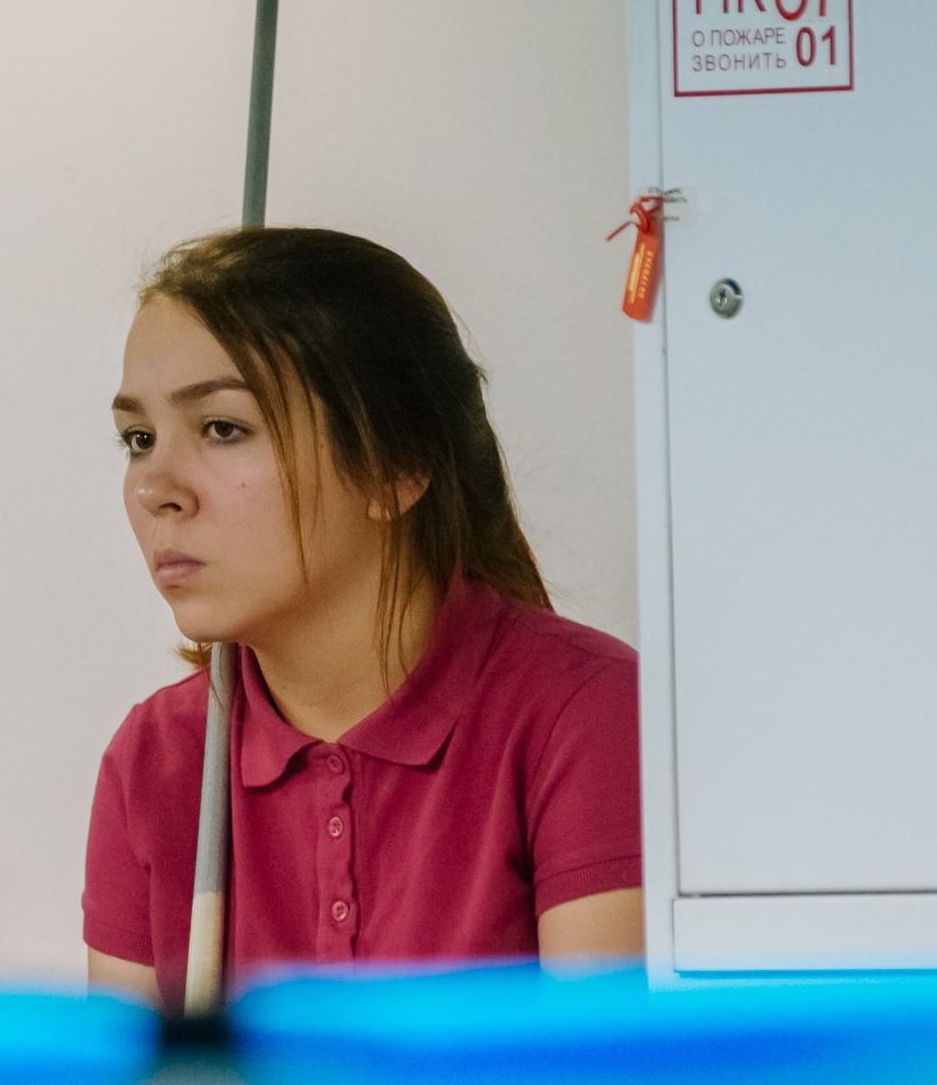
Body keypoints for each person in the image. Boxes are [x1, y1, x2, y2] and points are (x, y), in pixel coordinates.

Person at [84, 228, 641, 1015]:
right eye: (138, 440)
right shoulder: (155, 760)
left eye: (223, 429)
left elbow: (597, 1079)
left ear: (394, 463)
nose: (155, 487)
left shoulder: (585, 716)